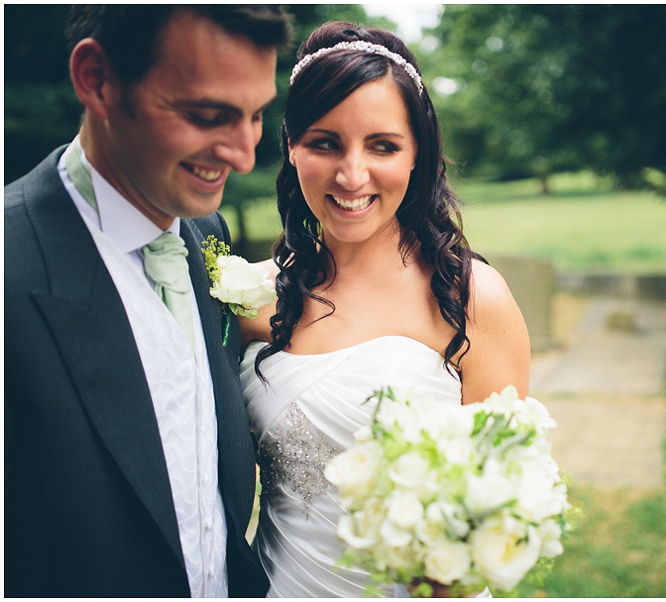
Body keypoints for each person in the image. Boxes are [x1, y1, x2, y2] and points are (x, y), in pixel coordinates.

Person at [4, 6, 292, 597]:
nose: (242, 156)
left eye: (257, 115)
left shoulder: (205, 234)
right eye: (207, 115)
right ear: (97, 80)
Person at [239, 21, 531, 597]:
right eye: (325, 142)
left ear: (418, 152)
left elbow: (502, 508)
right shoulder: (252, 300)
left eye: (383, 145)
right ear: (291, 146)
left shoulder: (473, 298)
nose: (352, 175)